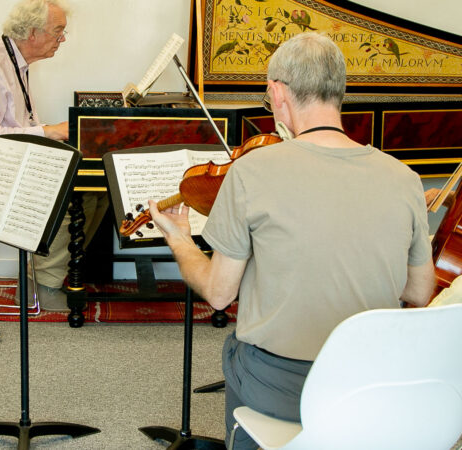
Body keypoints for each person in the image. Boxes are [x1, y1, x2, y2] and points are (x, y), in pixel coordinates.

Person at [148, 32, 436, 449]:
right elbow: (419, 290)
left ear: (278, 93)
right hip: (369, 383)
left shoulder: (251, 172)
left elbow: (218, 294)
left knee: (238, 347)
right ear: (338, 92)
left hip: (282, 386)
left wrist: (180, 240)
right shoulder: (405, 178)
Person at [0, 0, 108, 311]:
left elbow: (18, 125)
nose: (62, 39)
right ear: (33, 33)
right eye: (58, 31)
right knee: (67, 201)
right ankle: (44, 285)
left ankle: (49, 272)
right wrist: (49, 131)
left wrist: (49, 135)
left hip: (10, 164)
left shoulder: (14, 61)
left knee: (97, 194)